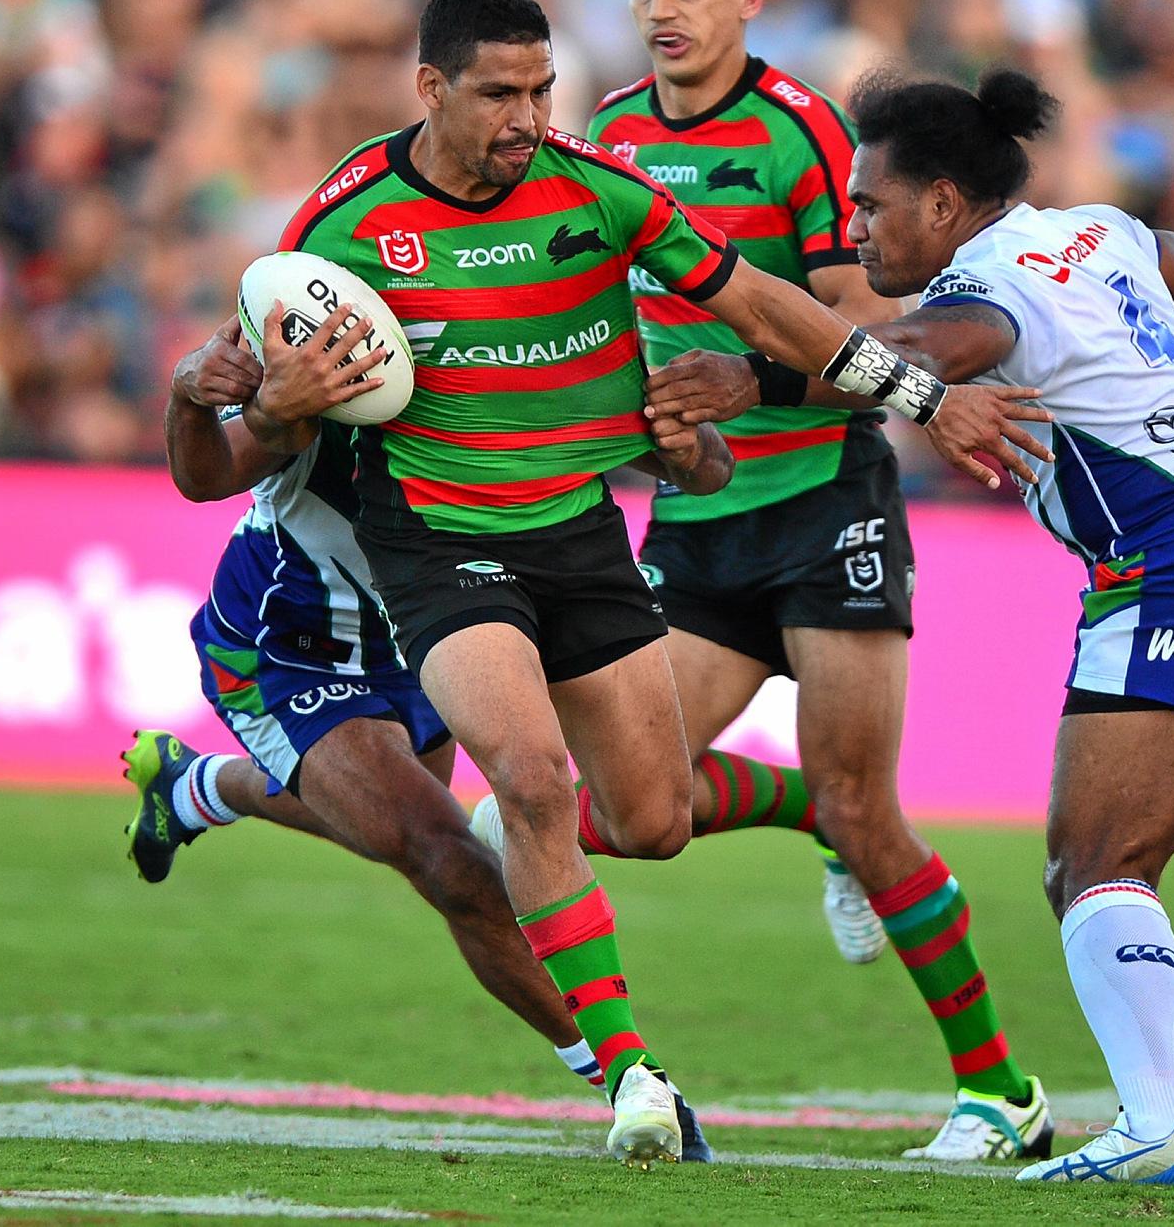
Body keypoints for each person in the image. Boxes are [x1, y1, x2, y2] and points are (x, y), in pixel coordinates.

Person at [259, 0, 1051, 1165]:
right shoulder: (342, 229)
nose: (527, 117)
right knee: (529, 779)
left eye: (540, 90)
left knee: (653, 816)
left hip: (614, 530)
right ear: (429, 88)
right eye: (498, 94)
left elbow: (764, 304)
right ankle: (632, 1077)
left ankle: (825, 840)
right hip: (440, 538)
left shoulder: (608, 185)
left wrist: (918, 398)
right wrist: (262, 403)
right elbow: (262, 419)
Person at [743, 65, 1174, 1186]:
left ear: (942, 202)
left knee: (1092, 863)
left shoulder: (983, 283)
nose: (856, 228)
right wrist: (1133, 282)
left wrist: (749, 381)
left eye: (871, 205)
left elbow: (932, 353)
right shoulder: (1098, 227)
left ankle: (1155, 1123)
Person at [560, 0, 1052, 1163]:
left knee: (870, 807)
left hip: (825, 506)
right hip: (695, 525)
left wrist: (747, 379)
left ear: (745, 0)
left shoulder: (802, 136)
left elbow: (861, 334)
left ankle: (999, 1090)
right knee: (613, 811)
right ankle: (804, 816)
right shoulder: (607, 139)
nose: (664, 11)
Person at [121, 299, 723, 1158]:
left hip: (438, 637)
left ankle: (198, 785)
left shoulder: (525, 366)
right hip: (292, 650)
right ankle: (628, 1075)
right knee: (447, 857)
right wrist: (188, 395)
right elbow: (206, 470)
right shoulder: (327, 382)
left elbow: (708, 470)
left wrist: (686, 437)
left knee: (405, 822)